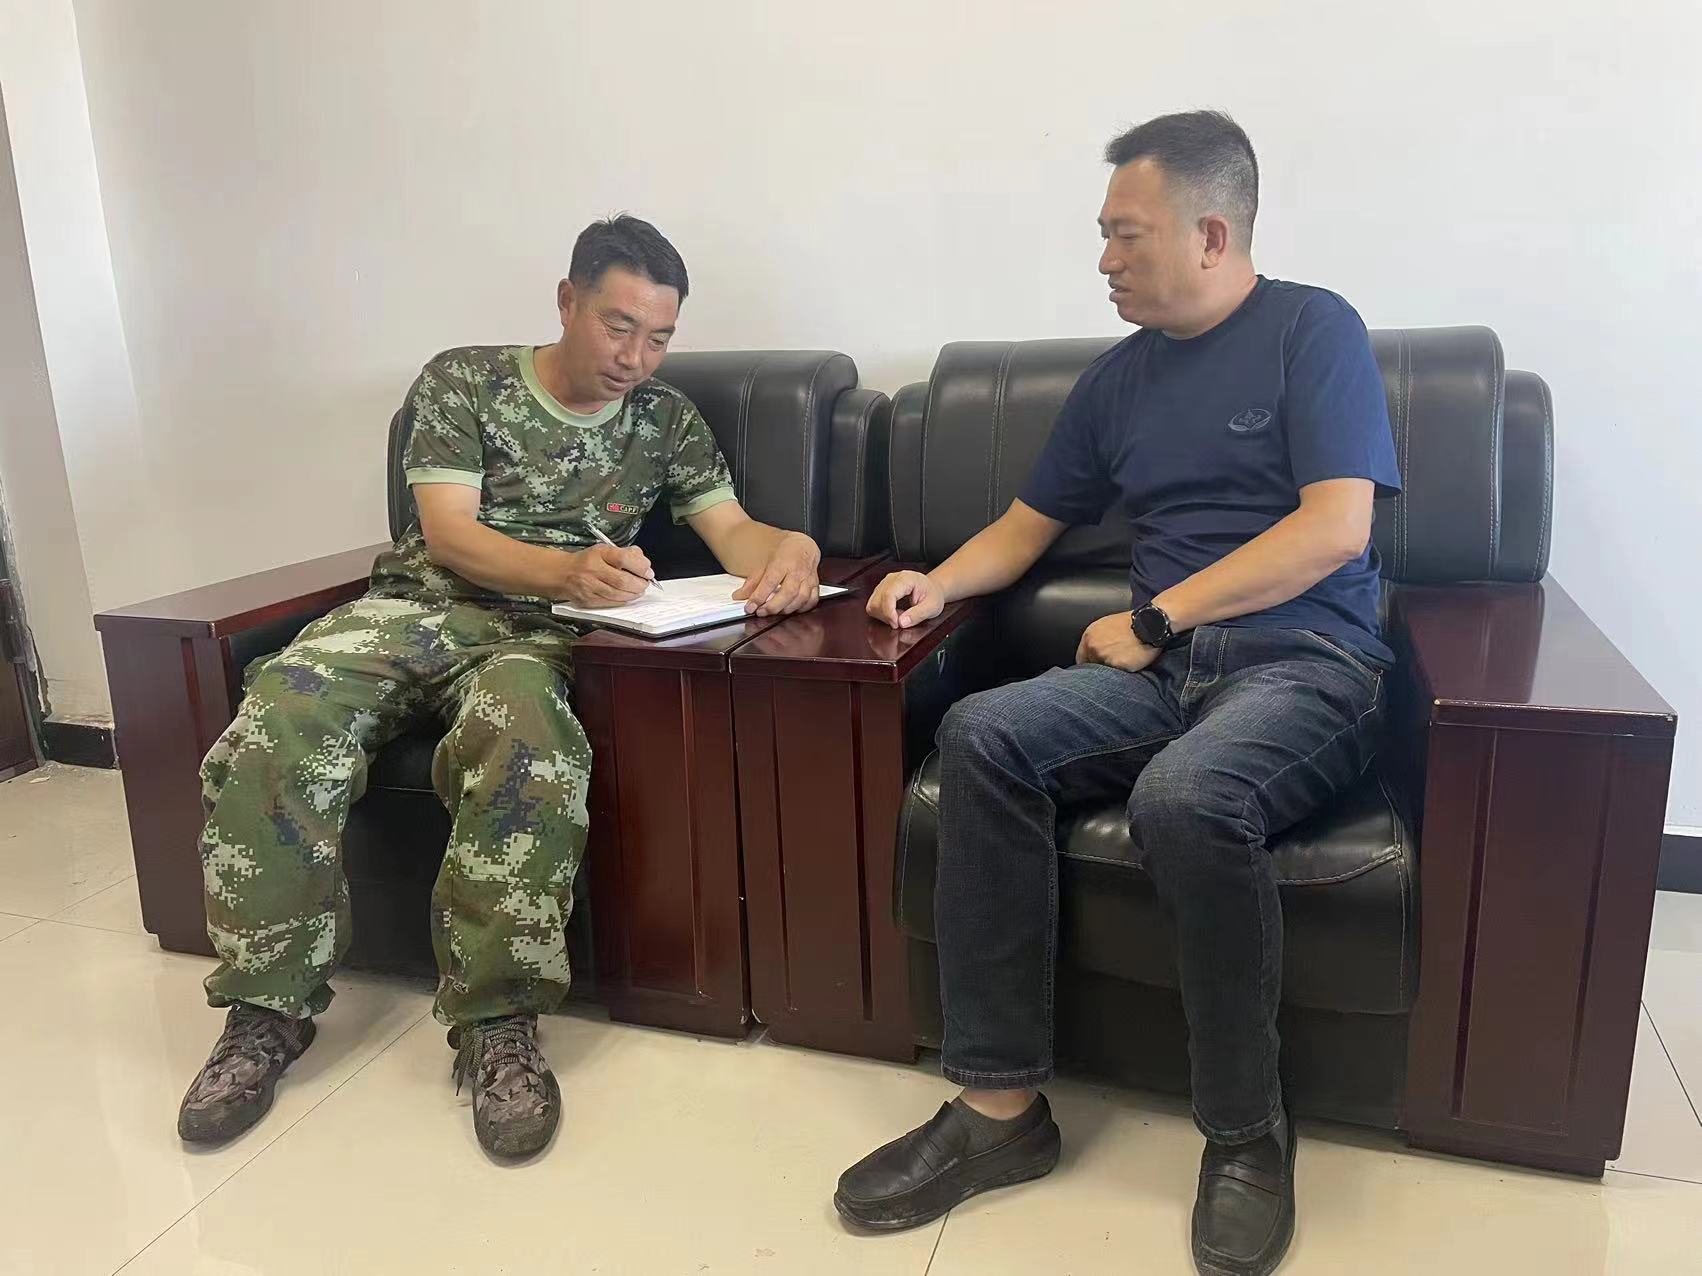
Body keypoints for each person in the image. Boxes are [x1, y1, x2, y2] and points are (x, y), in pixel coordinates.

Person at [837, 111, 1400, 1276]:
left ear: (1210, 233)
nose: (1103, 260)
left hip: (1305, 665)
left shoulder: (1314, 332)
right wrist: (932, 584)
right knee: (983, 732)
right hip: (1162, 677)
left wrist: (1154, 618)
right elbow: (1023, 528)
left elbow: (1333, 530)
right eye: (1102, 235)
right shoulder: (1117, 379)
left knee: (1186, 798)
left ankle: (1245, 1132)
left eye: (1124, 235)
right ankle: (999, 1111)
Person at [178, 215, 823, 1159]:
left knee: (529, 741)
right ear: (566, 302)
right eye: (617, 326)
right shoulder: (464, 381)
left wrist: (791, 549)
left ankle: (498, 1024)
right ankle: (263, 1011)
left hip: (531, 636)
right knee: (281, 717)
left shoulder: (665, 420)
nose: (635, 357)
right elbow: (450, 532)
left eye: (659, 337)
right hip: (412, 610)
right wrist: (567, 570)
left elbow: (734, 533)